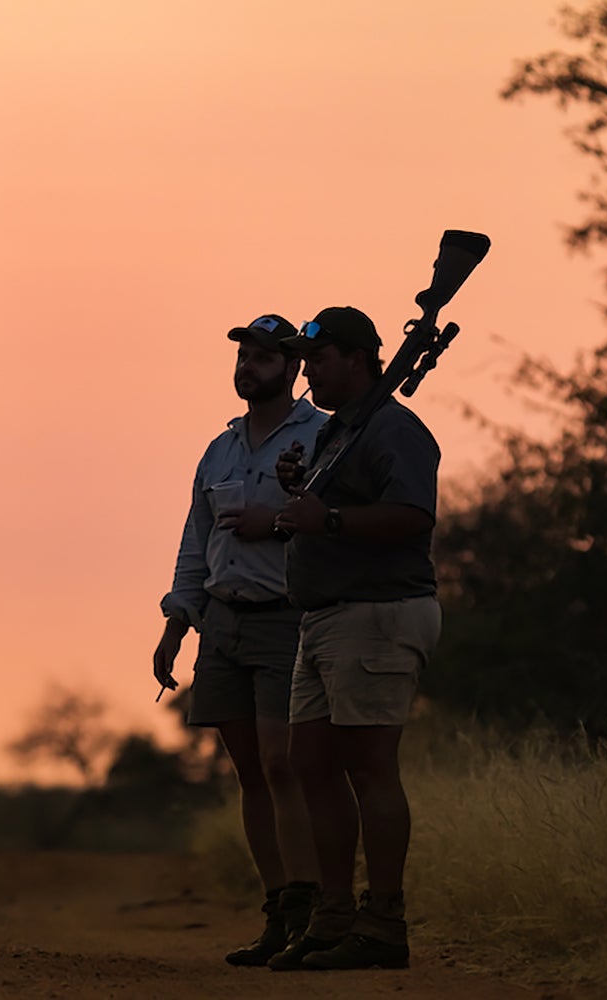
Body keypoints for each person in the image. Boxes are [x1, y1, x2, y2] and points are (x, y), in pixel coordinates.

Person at [265, 306, 441, 972]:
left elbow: (411, 513)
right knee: (310, 764)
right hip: (327, 617)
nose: (307, 371)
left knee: (370, 768)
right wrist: (302, 491)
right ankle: (335, 915)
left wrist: (327, 518)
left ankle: (384, 921)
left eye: (318, 358)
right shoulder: (340, 432)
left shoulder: (395, 428)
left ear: (356, 358)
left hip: (379, 613)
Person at [153, 313, 330, 967]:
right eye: (243, 355)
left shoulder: (320, 437)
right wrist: (177, 620)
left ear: (292, 368)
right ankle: (277, 911)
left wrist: (277, 521)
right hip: (222, 620)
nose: (247, 366)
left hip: (287, 616)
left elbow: (329, 521)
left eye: (261, 356)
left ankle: (311, 910)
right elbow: (196, 541)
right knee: (251, 772)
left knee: (284, 765)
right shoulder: (220, 448)